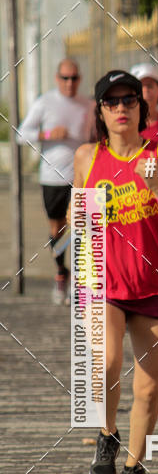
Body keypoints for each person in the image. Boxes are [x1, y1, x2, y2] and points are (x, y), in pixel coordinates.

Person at [72, 69, 158, 474]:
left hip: (153, 284)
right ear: (101, 112)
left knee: (148, 388)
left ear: (142, 108)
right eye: (111, 102)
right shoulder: (87, 157)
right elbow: (75, 222)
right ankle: (108, 431)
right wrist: (87, 213)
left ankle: (134, 465)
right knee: (105, 363)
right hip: (103, 281)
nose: (121, 108)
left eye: (129, 101)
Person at [17, 59, 94, 304]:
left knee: (82, 229)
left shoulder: (89, 106)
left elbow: (96, 136)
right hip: (52, 177)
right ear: (56, 78)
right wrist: (48, 134)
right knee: (58, 229)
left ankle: (80, 281)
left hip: (82, 177)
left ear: (80, 79)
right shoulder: (45, 103)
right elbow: (21, 134)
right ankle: (62, 273)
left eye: (74, 78)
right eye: (65, 78)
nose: (69, 83)